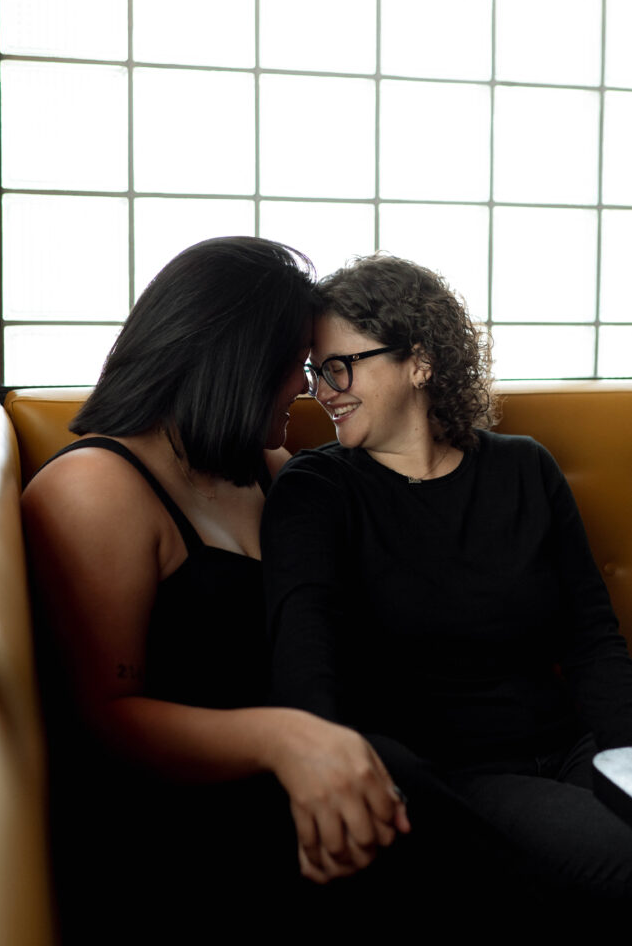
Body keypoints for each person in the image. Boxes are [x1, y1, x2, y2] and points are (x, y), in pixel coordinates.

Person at [21, 237, 409, 940]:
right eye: (297, 365)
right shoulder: (93, 488)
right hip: (183, 834)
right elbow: (103, 717)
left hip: (318, 780)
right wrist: (283, 739)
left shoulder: (263, 463)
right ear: (238, 359)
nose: (309, 388)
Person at [261, 253, 632, 915]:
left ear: (419, 361)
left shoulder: (524, 468)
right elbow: (303, 669)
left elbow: (590, 640)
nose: (323, 390)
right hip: (462, 779)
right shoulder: (316, 492)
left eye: (341, 366)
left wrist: (626, 757)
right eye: (317, 372)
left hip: (576, 745)